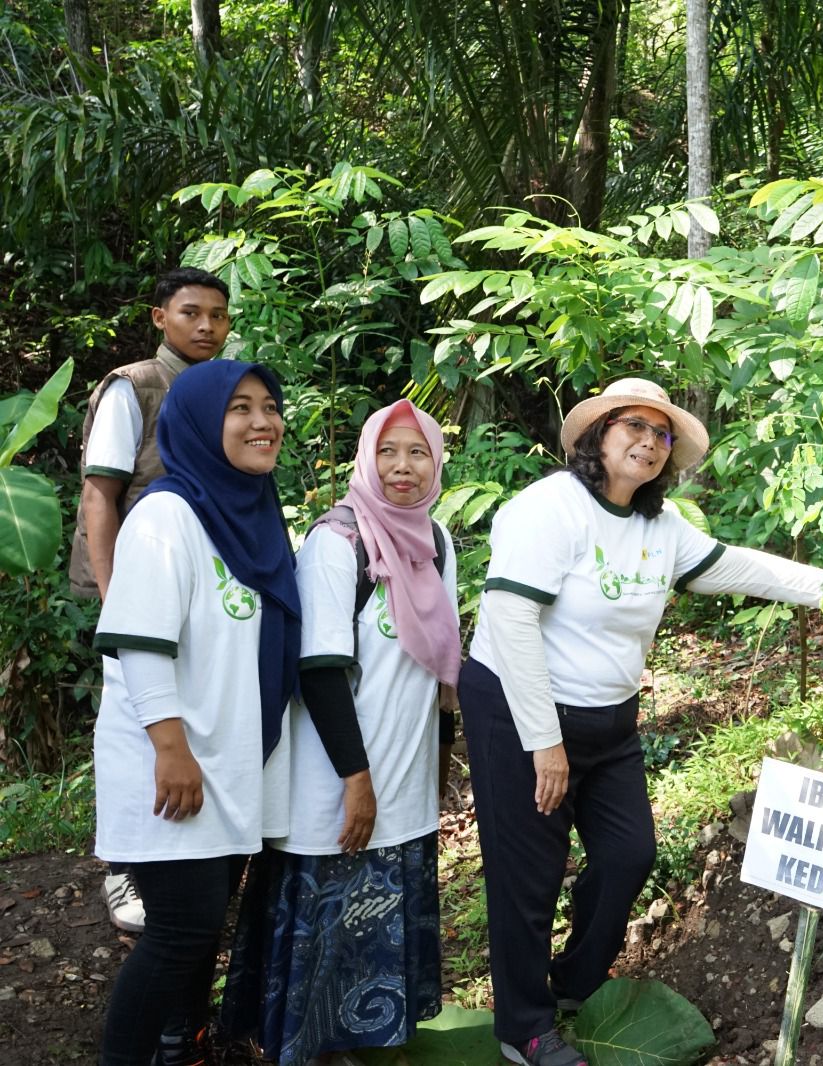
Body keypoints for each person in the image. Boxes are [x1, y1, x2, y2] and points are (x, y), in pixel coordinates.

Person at [460, 378, 823, 1066]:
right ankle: (523, 1028)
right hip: (518, 710)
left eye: (662, 435)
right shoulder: (550, 509)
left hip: (608, 719)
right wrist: (543, 744)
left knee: (630, 854)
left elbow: (737, 566)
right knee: (528, 874)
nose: (649, 442)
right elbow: (511, 619)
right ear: (596, 436)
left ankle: (573, 984)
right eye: (634, 425)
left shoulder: (661, 529)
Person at [221, 400, 459, 1064]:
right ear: (365, 457)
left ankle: (360, 1042)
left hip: (405, 780)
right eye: (388, 451)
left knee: (380, 923)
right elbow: (320, 672)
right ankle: (306, 1046)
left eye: (417, 452)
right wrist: (356, 781)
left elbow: (442, 671)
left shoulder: (435, 542)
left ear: (436, 461)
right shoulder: (337, 542)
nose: (403, 467)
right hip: (339, 779)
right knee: (327, 926)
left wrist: (440, 762)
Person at [92, 360, 300, 1066]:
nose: (262, 422)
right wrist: (170, 748)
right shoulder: (165, 514)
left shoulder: (256, 511)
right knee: (180, 929)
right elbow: (138, 645)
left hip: (232, 756)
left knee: (203, 926)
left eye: (270, 407)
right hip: (172, 757)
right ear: (198, 423)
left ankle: (180, 1045)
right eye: (239, 408)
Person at [72, 266, 232, 934]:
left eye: (218, 315)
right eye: (191, 312)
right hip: (139, 588)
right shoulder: (135, 387)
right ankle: (121, 867)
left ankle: (182, 855)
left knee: (188, 720)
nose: (206, 326)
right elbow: (100, 494)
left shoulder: (227, 390)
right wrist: (117, 603)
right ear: (159, 317)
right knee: (132, 727)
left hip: (204, 592)